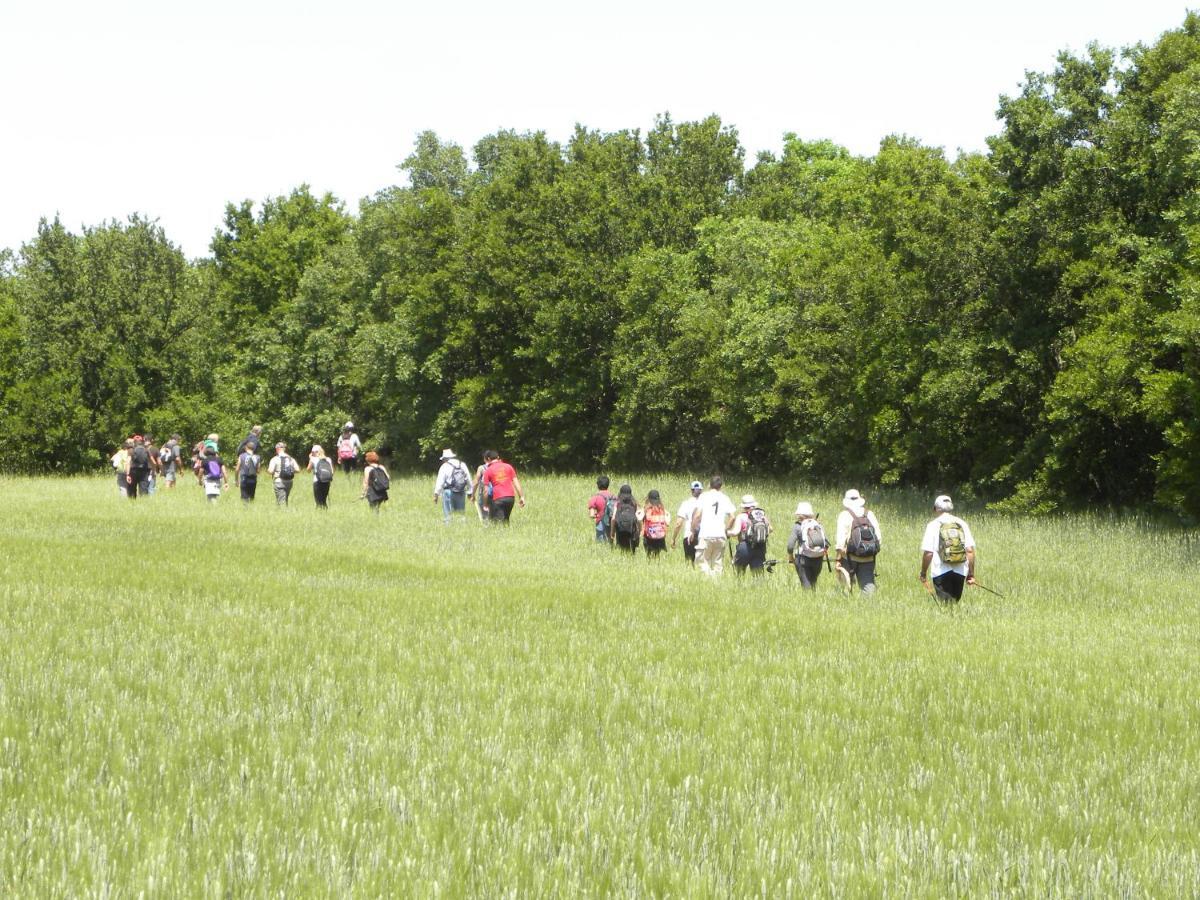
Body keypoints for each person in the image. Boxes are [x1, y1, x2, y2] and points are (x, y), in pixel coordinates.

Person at [919, 494, 977, 601]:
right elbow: (969, 551)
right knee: (954, 604)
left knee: (945, 606)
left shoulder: (932, 525)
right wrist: (971, 574)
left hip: (940, 570)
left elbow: (928, 553)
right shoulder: (962, 523)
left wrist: (923, 573)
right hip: (960, 570)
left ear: (936, 508)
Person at [835, 488, 882, 594]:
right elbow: (878, 538)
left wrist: (838, 559)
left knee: (845, 588)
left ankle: (846, 607)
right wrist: (869, 550)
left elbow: (840, 541)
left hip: (849, 558)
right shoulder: (870, 514)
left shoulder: (844, 515)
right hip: (868, 558)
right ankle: (868, 608)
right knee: (868, 588)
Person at [691, 476, 736, 577]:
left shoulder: (704, 496)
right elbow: (733, 517)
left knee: (702, 561)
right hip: (720, 534)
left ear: (709, 485)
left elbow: (697, 515)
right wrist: (726, 529)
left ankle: (709, 580)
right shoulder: (725, 498)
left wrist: (692, 530)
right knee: (717, 563)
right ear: (721, 486)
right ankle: (716, 581)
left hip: (706, 534)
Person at [786, 502, 829, 589]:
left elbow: (790, 545)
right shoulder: (818, 525)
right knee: (813, 582)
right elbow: (826, 543)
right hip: (818, 558)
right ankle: (813, 599)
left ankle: (808, 600)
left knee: (806, 585)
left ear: (799, 514)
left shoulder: (797, 526)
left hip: (803, 559)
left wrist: (791, 557)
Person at [730, 494, 771, 575]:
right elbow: (770, 529)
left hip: (744, 547)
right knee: (758, 575)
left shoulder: (741, 516)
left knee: (739, 574)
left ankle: (739, 587)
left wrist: (727, 532)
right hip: (760, 547)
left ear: (744, 506)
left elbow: (735, 532)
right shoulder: (762, 516)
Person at [481, 450, 525, 525]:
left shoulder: (488, 471)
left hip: (498, 498)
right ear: (498, 457)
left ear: (488, 459)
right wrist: (521, 497)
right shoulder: (508, 466)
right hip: (510, 498)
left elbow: (486, 490)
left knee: (498, 523)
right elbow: (516, 482)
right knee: (506, 520)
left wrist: (485, 504)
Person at [432, 449, 472, 524]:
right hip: (461, 491)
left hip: (448, 491)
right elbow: (468, 478)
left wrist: (436, 494)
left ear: (445, 458)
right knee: (461, 513)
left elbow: (440, 481)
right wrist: (470, 492)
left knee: (448, 514)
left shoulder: (444, 466)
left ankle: (448, 527)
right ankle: (462, 527)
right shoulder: (462, 464)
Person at [670, 480, 704, 565]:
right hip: (704, 536)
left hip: (689, 536)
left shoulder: (686, 503)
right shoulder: (706, 503)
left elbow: (678, 523)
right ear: (701, 491)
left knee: (690, 563)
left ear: (692, 490)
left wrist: (673, 538)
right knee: (702, 563)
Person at [641, 489, 671, 558]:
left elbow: (640, 519)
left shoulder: (646, 509)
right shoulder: (662, 509)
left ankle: (649, 560)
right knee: (657, 555)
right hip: (660, 537)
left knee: (649, 555)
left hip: (649, 537)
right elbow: (668, 523)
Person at [610, 484, 640, 552]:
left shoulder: (618, 503)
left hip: (620, 530)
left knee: (622, 549)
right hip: (631, 529)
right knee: (631, 550)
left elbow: (613, 518)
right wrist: (639, 532)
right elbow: (638, 518)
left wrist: (612, 534)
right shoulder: (634, 503)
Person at [267, 442, 298, 506]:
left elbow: (270, 471)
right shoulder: (291, 459)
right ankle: (281, 513)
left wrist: (270, 471)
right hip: (289, 481)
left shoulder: (274, 459)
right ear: (284, 449)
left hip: (279, 481)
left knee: (281, 501)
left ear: (277, 449)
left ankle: (283, 513)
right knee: (284, 499)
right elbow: (297, 469)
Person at [587, 476, 616, 543]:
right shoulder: (613, 497)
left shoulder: (595, 497)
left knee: (601, 543)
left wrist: (597, 515)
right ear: (608, 485)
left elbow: (591, 515)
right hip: (612, 522)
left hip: (601, 523)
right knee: (610, 542)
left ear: (598, 485)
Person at [125, 435, 153, 500]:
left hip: (133, 471)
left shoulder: (131, 450)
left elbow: (128, 462)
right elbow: (152, 462)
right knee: (144, 490)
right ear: (142, 441)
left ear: (134, 442)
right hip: (144, 471)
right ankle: (144, 504)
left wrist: (127, 474)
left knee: (131, 489)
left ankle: (132, 504)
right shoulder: (146, 449)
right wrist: (153, 471)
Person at [307, 444, 334, 508]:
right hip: (327, 481)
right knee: (324, 500)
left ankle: (320, 513)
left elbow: (308, 470)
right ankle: (325, 513)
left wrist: (310, 459)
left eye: (312, 452)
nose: (312, 453)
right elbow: (332, 472)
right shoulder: (328, 459)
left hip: (317, 481)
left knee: (318, 501)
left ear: (315, 452)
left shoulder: (313, 459)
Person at [469, 452, 489, 524]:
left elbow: (476, 481)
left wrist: (472, 494)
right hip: (496, 493)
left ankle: (486, 525)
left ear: (485, 458)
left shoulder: (481, 468)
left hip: (483, 492)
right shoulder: (497, 467)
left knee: (484, 511)